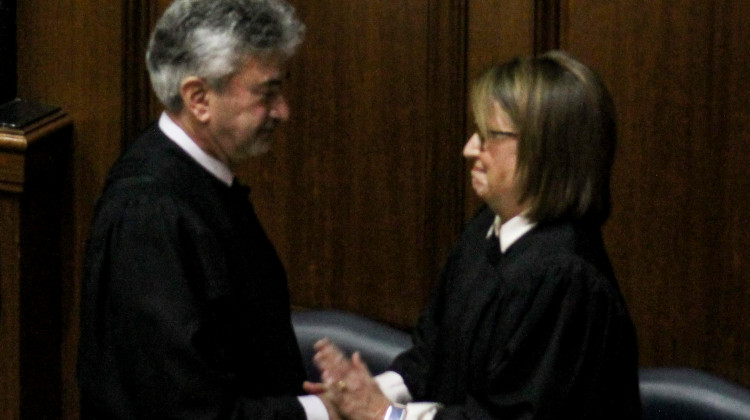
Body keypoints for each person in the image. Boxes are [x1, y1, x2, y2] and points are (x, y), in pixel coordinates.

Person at [304, 51, 642, 419]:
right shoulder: (488, 227)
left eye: (489, 136)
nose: (469, 150)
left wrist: (385, 415)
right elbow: (431, 356)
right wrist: (358, 395)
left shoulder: (565, 279)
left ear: (546, 152)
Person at [77, 1, 335, 418]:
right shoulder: (150, 216)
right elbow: (183, 409)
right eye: (266, 94)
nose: (282, 111)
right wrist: (322, 412)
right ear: (199, 98)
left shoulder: (198, 184)